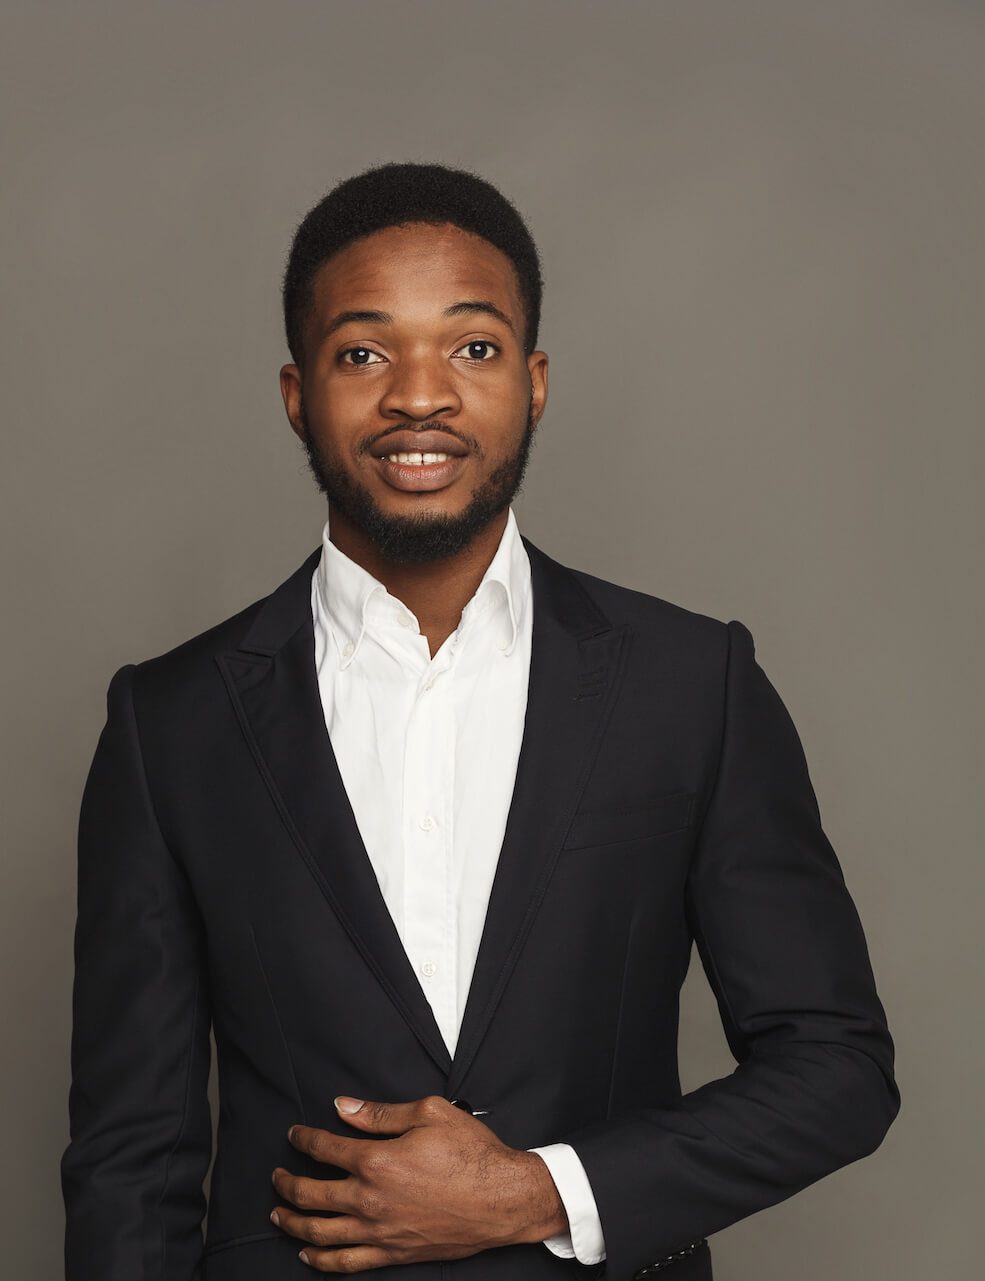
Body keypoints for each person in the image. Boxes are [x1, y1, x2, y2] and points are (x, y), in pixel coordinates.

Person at [60, 161, 899, 1280]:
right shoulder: (171, 725)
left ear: (535, 381)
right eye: (363, 352)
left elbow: (837, 1070)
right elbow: (132, 1162)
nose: (420, 395)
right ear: (297, 393)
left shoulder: (693, 686)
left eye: (473, 347)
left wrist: (537, 1193)